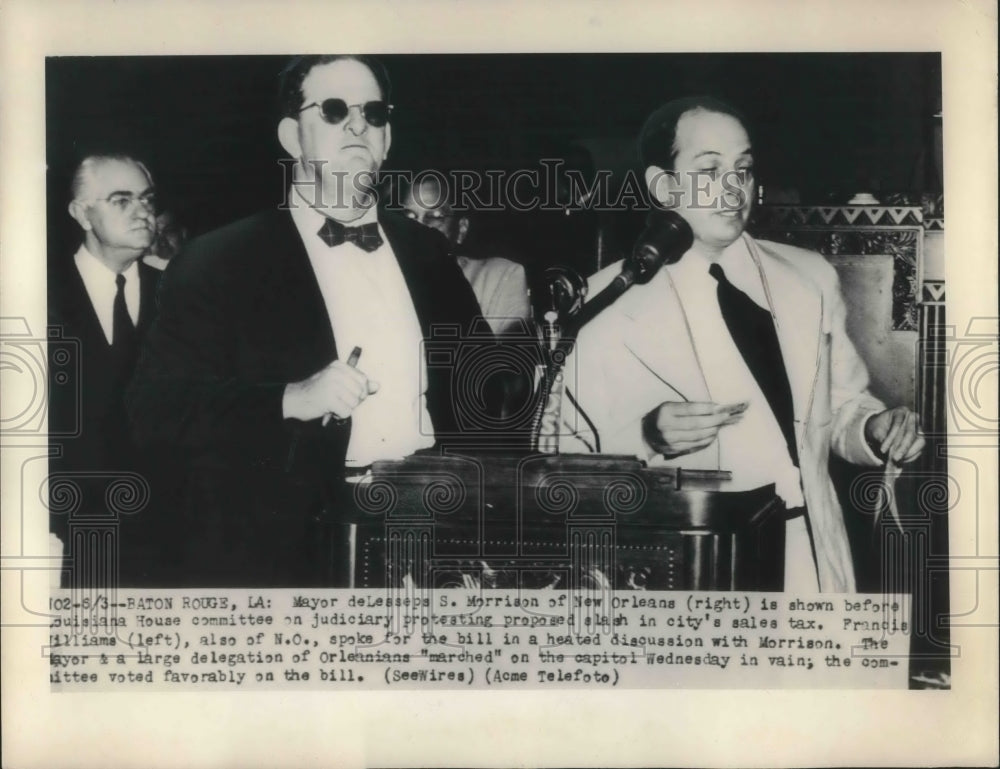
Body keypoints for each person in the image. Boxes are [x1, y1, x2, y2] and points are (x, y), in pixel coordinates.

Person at [127, 55, 484, 586]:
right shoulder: (218, 260)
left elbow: (483, 398)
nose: (359, 125)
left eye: (375, 113)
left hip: (429, 542)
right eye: (335, 110)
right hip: (287, 552)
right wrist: (290, 398)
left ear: (388, 138)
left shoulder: (429, 252)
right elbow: (155, 410)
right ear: (293, 137)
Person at [559, 96, 924, 592]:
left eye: (744, 168)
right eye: (709, 170)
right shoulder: (602, 305)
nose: (734, 188)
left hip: (810, 557)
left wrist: (873, 428)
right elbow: (556, 461)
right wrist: (647, 438)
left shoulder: (810, 278)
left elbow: (840, 405)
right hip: (686, 569)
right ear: (663, 186)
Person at [48, 154, 163, 586]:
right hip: (66, 541)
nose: (143, 212)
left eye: (147, 199)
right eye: (122, 200)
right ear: (81, 213)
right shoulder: (36, 293)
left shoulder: (180, 294)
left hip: (165, 540)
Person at [402, 173, 531, 336]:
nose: (418, 228)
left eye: (434, 217)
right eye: (408, 218)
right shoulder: (383, 279)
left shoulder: (499, 277)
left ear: (461, 230)